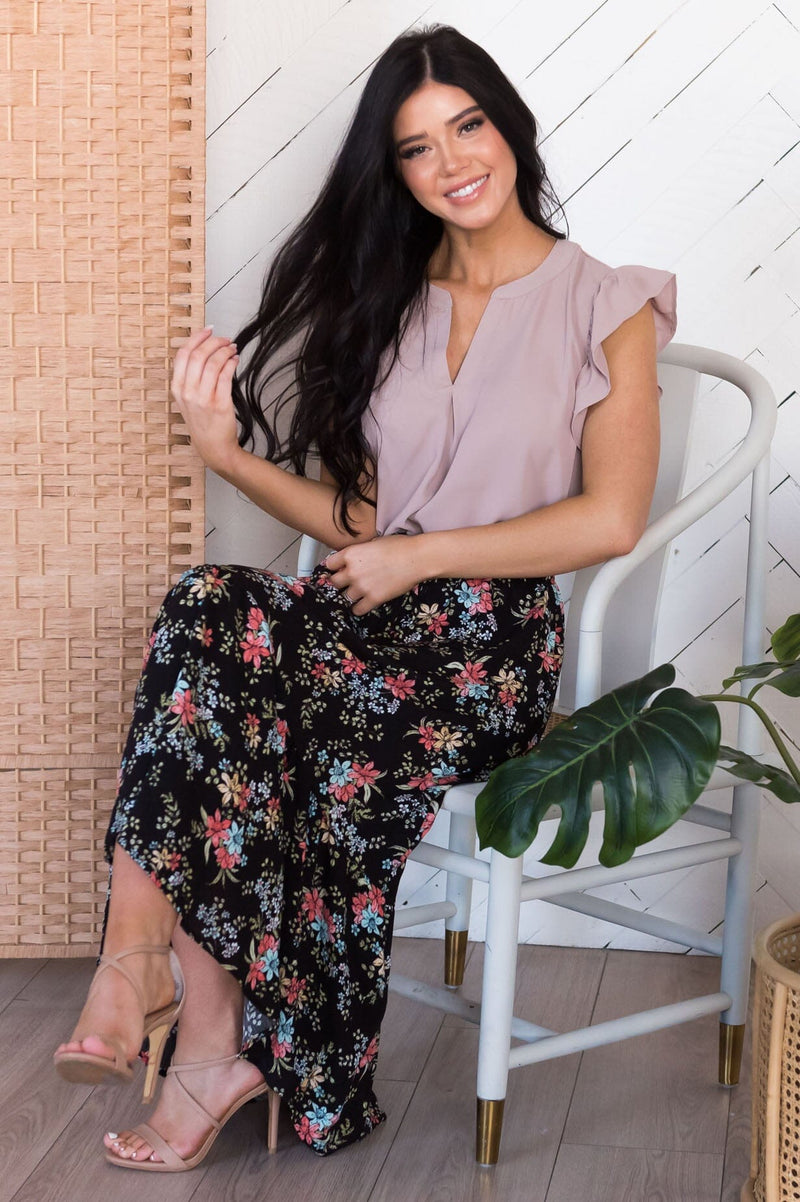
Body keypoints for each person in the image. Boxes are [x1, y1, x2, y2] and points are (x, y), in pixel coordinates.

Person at [52, 23, 677, 1170]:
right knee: (206, 608)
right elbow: (364, 525)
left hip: (485, 649)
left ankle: (197, 1031)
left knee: (277, 729)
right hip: (365, 617)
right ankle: (153, 970)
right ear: (394, 172)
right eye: (416, 147)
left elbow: (608, 518)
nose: (451, 162)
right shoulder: (394, 300)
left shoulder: (607, 301)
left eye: (467, 126)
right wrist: (224, 452)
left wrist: (419, 558)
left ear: (507, 126)